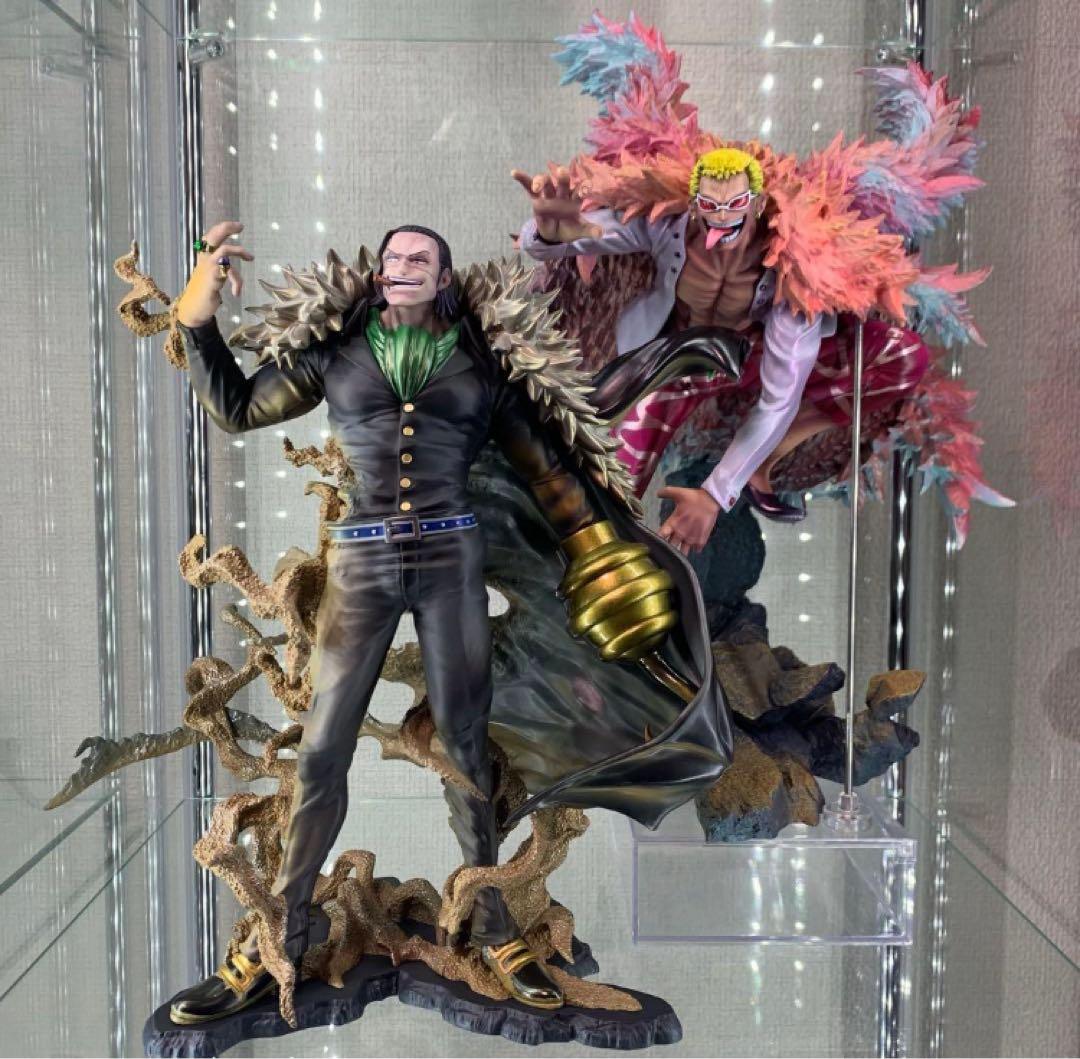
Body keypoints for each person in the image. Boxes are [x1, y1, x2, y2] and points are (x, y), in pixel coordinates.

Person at [164, 219, 734, 1022]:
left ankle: (493, 928)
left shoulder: (484, 363)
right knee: (322, 750)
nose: (401, 266)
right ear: (377, 272)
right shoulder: (334, 352)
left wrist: (598, 550)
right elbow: (236, 406)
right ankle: (279, 936)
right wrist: (196, 316)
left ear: (444, 278)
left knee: (467, 747)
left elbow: (547, 470)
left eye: (419, 258)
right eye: (392, 256)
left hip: (451, 563)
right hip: (361, 565)